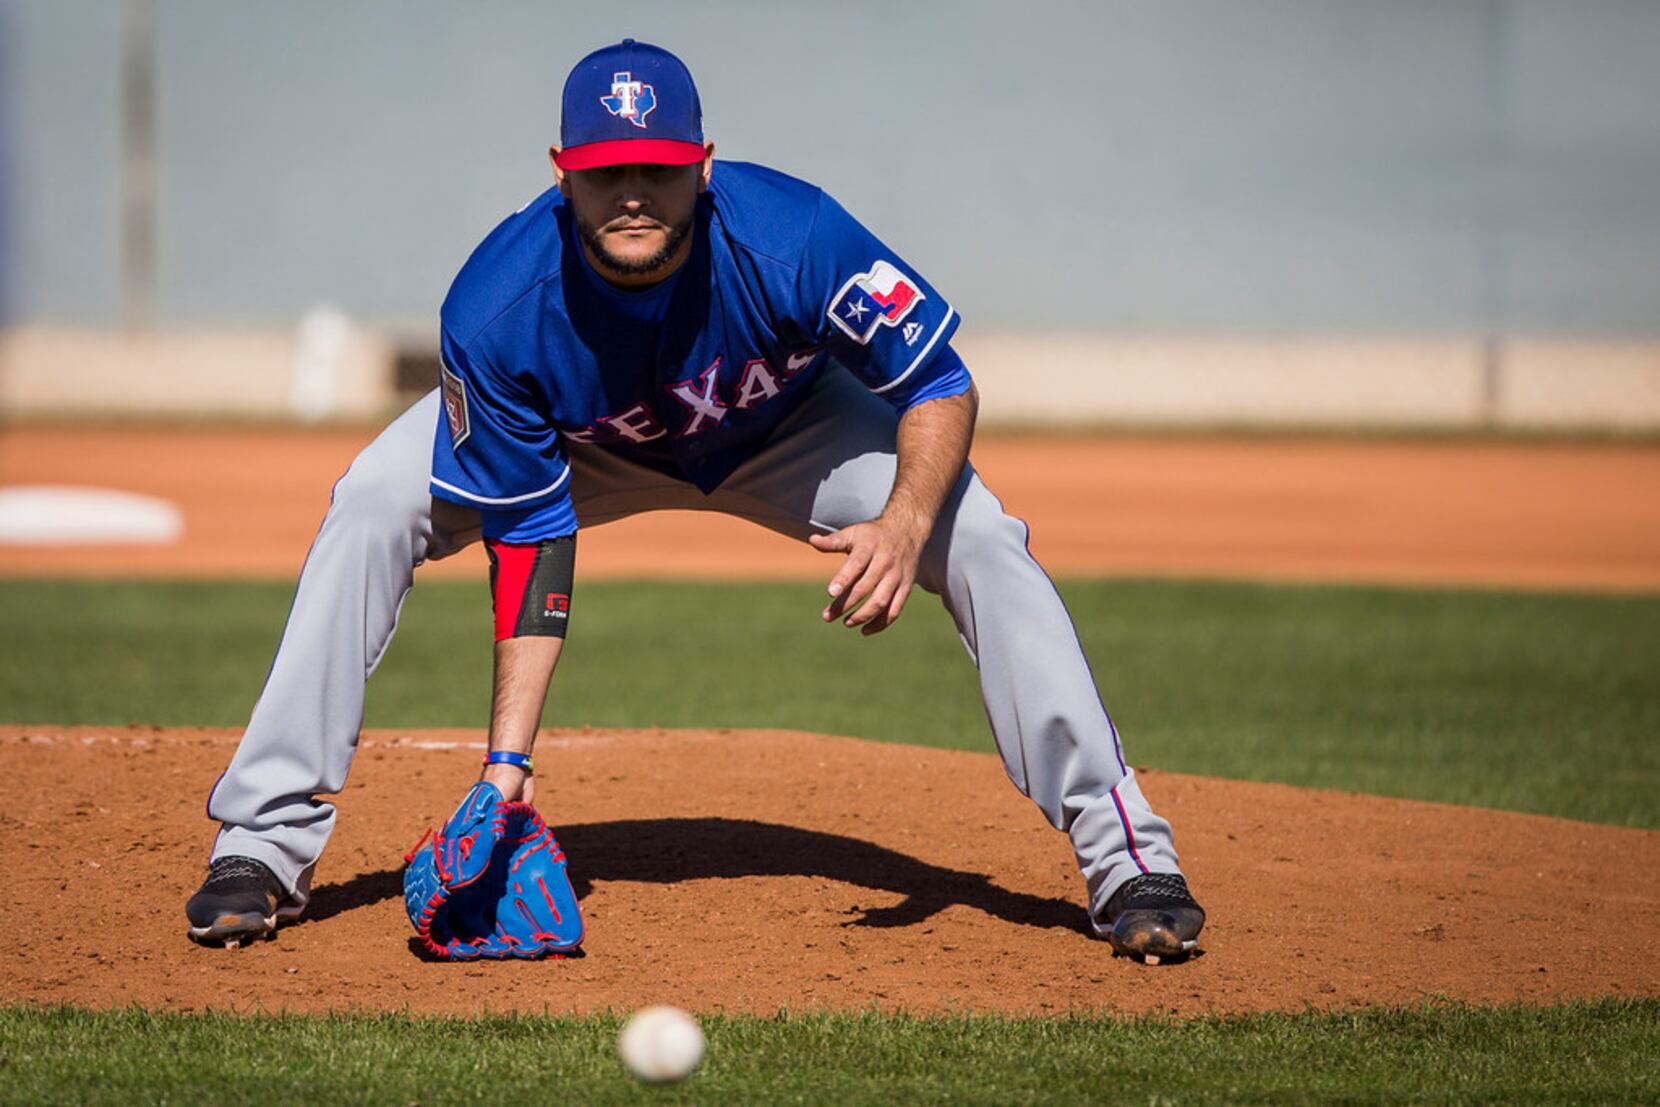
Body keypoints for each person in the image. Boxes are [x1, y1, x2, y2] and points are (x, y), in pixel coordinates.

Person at [185, 39, 1206, 963]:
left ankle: (1123, 855)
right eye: (604, 173)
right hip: (582, 450)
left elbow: (937, 382)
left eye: (659, 169)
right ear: (560, 175)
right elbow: (534, 540)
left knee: (977, 535)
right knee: (370, 500)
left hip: (791, 431)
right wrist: (506, 767)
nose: (634, 192)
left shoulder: (794, 233)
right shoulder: (497, 309)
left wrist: (902, 525)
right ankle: (263, 842)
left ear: (703, 165)